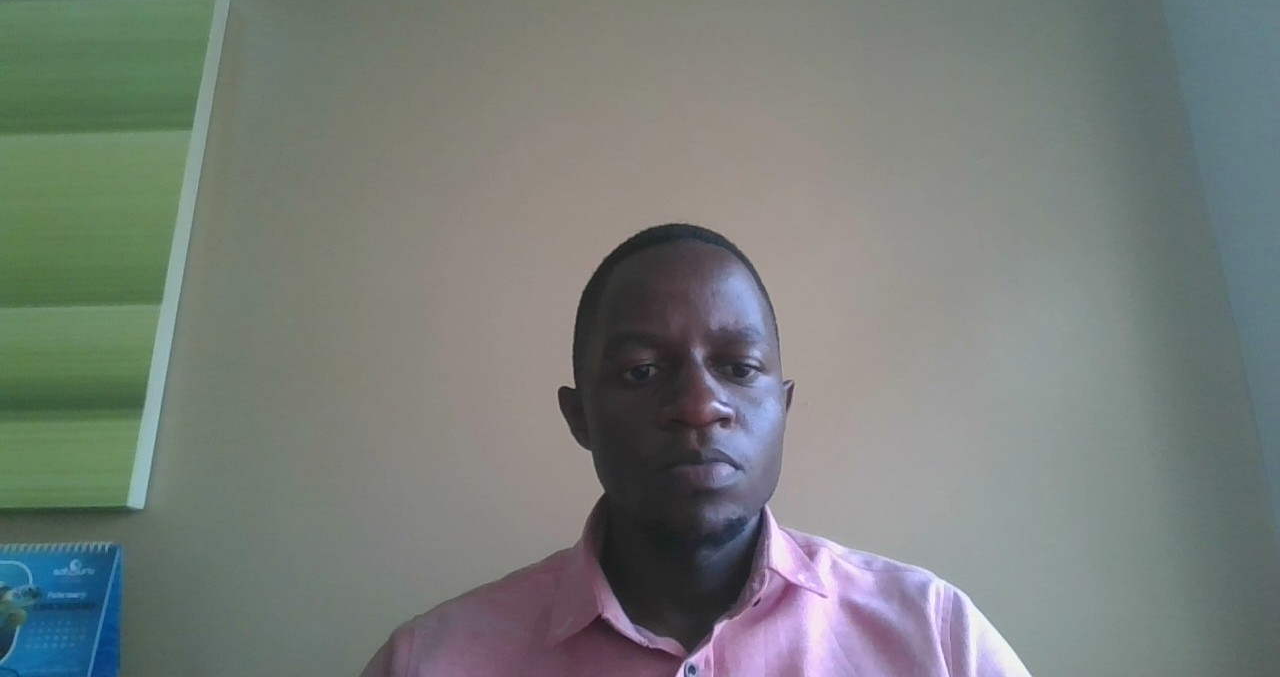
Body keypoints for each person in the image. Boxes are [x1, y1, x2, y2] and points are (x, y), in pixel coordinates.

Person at [360, 223, 1032, 676]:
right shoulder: (429, 662)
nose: (699, 405)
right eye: (642, 371)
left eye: (739, 368)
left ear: (783, 408)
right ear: (579, 417)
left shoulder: (934, 638)